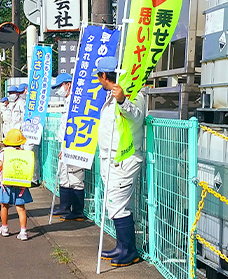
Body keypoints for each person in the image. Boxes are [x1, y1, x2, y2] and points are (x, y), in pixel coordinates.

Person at [95, 56, 145, 267]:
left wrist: (123, 100)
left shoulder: (132, 93)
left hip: (123, 160)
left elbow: (136, 116)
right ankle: (121, 246)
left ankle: (129, 250)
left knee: (118, 206)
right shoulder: (109, 95)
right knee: (113, 204)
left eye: (98, 75)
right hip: (109, 159)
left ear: (104, 75)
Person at [49, 73, 86, 221]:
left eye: (60, 86)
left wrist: (67, 147)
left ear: (68, 84)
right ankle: (65, 206)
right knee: (64, 175)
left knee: (76, 177)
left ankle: (77, 211)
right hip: (66, 145)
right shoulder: (67, 100)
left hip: (75, 145)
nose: (59, 89)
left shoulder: (76, 101)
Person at [0, 129, 33, 241]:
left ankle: (5, 228)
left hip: (6, 183)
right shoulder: (24, 153)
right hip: (21, 184)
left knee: (4, 206)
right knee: (21, 208)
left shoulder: (4, 153)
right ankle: (23, 232)